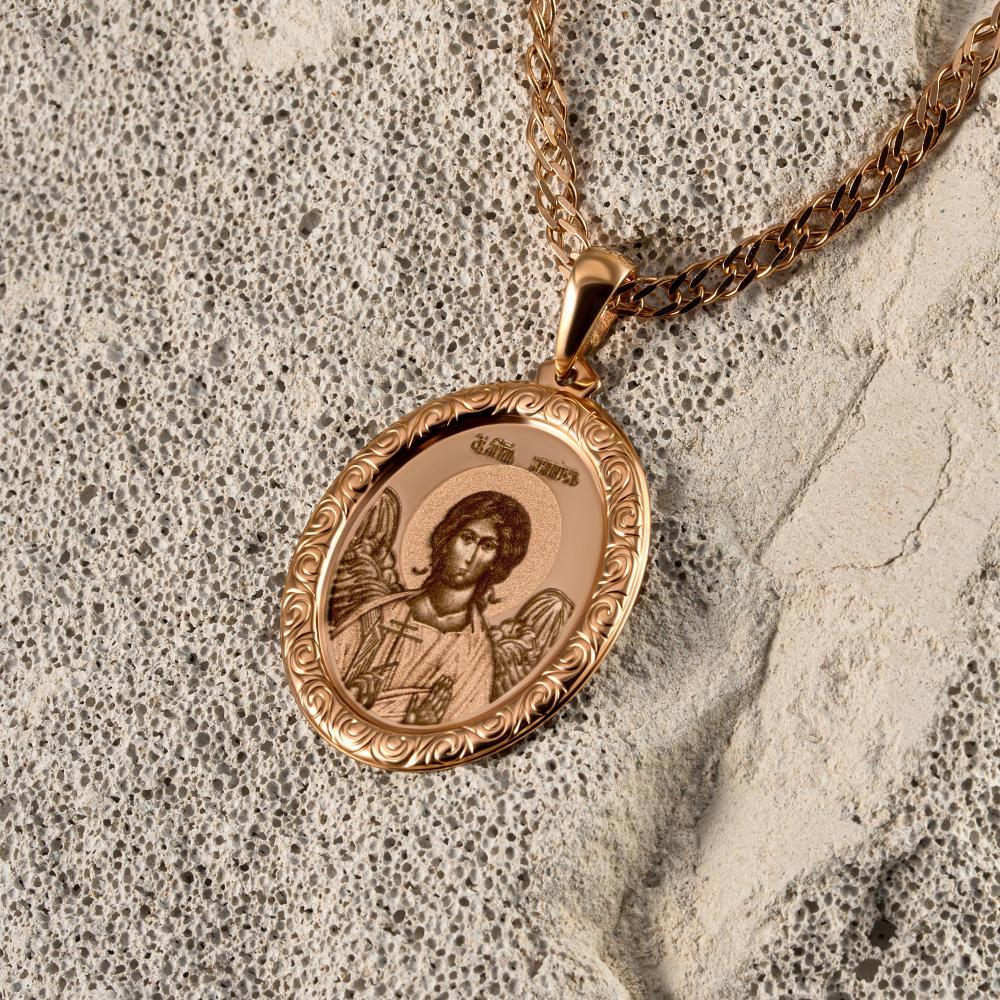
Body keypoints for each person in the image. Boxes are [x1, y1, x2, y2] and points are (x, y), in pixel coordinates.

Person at [330, 491, 530, 724]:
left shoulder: (476, 654)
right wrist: (351, 696)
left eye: (487, 546)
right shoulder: (378, 615)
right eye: (467, 538)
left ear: (497, 561)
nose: (471, 555)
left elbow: (463, 728)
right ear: (447, 540)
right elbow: (327, 682)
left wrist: (415, 725)